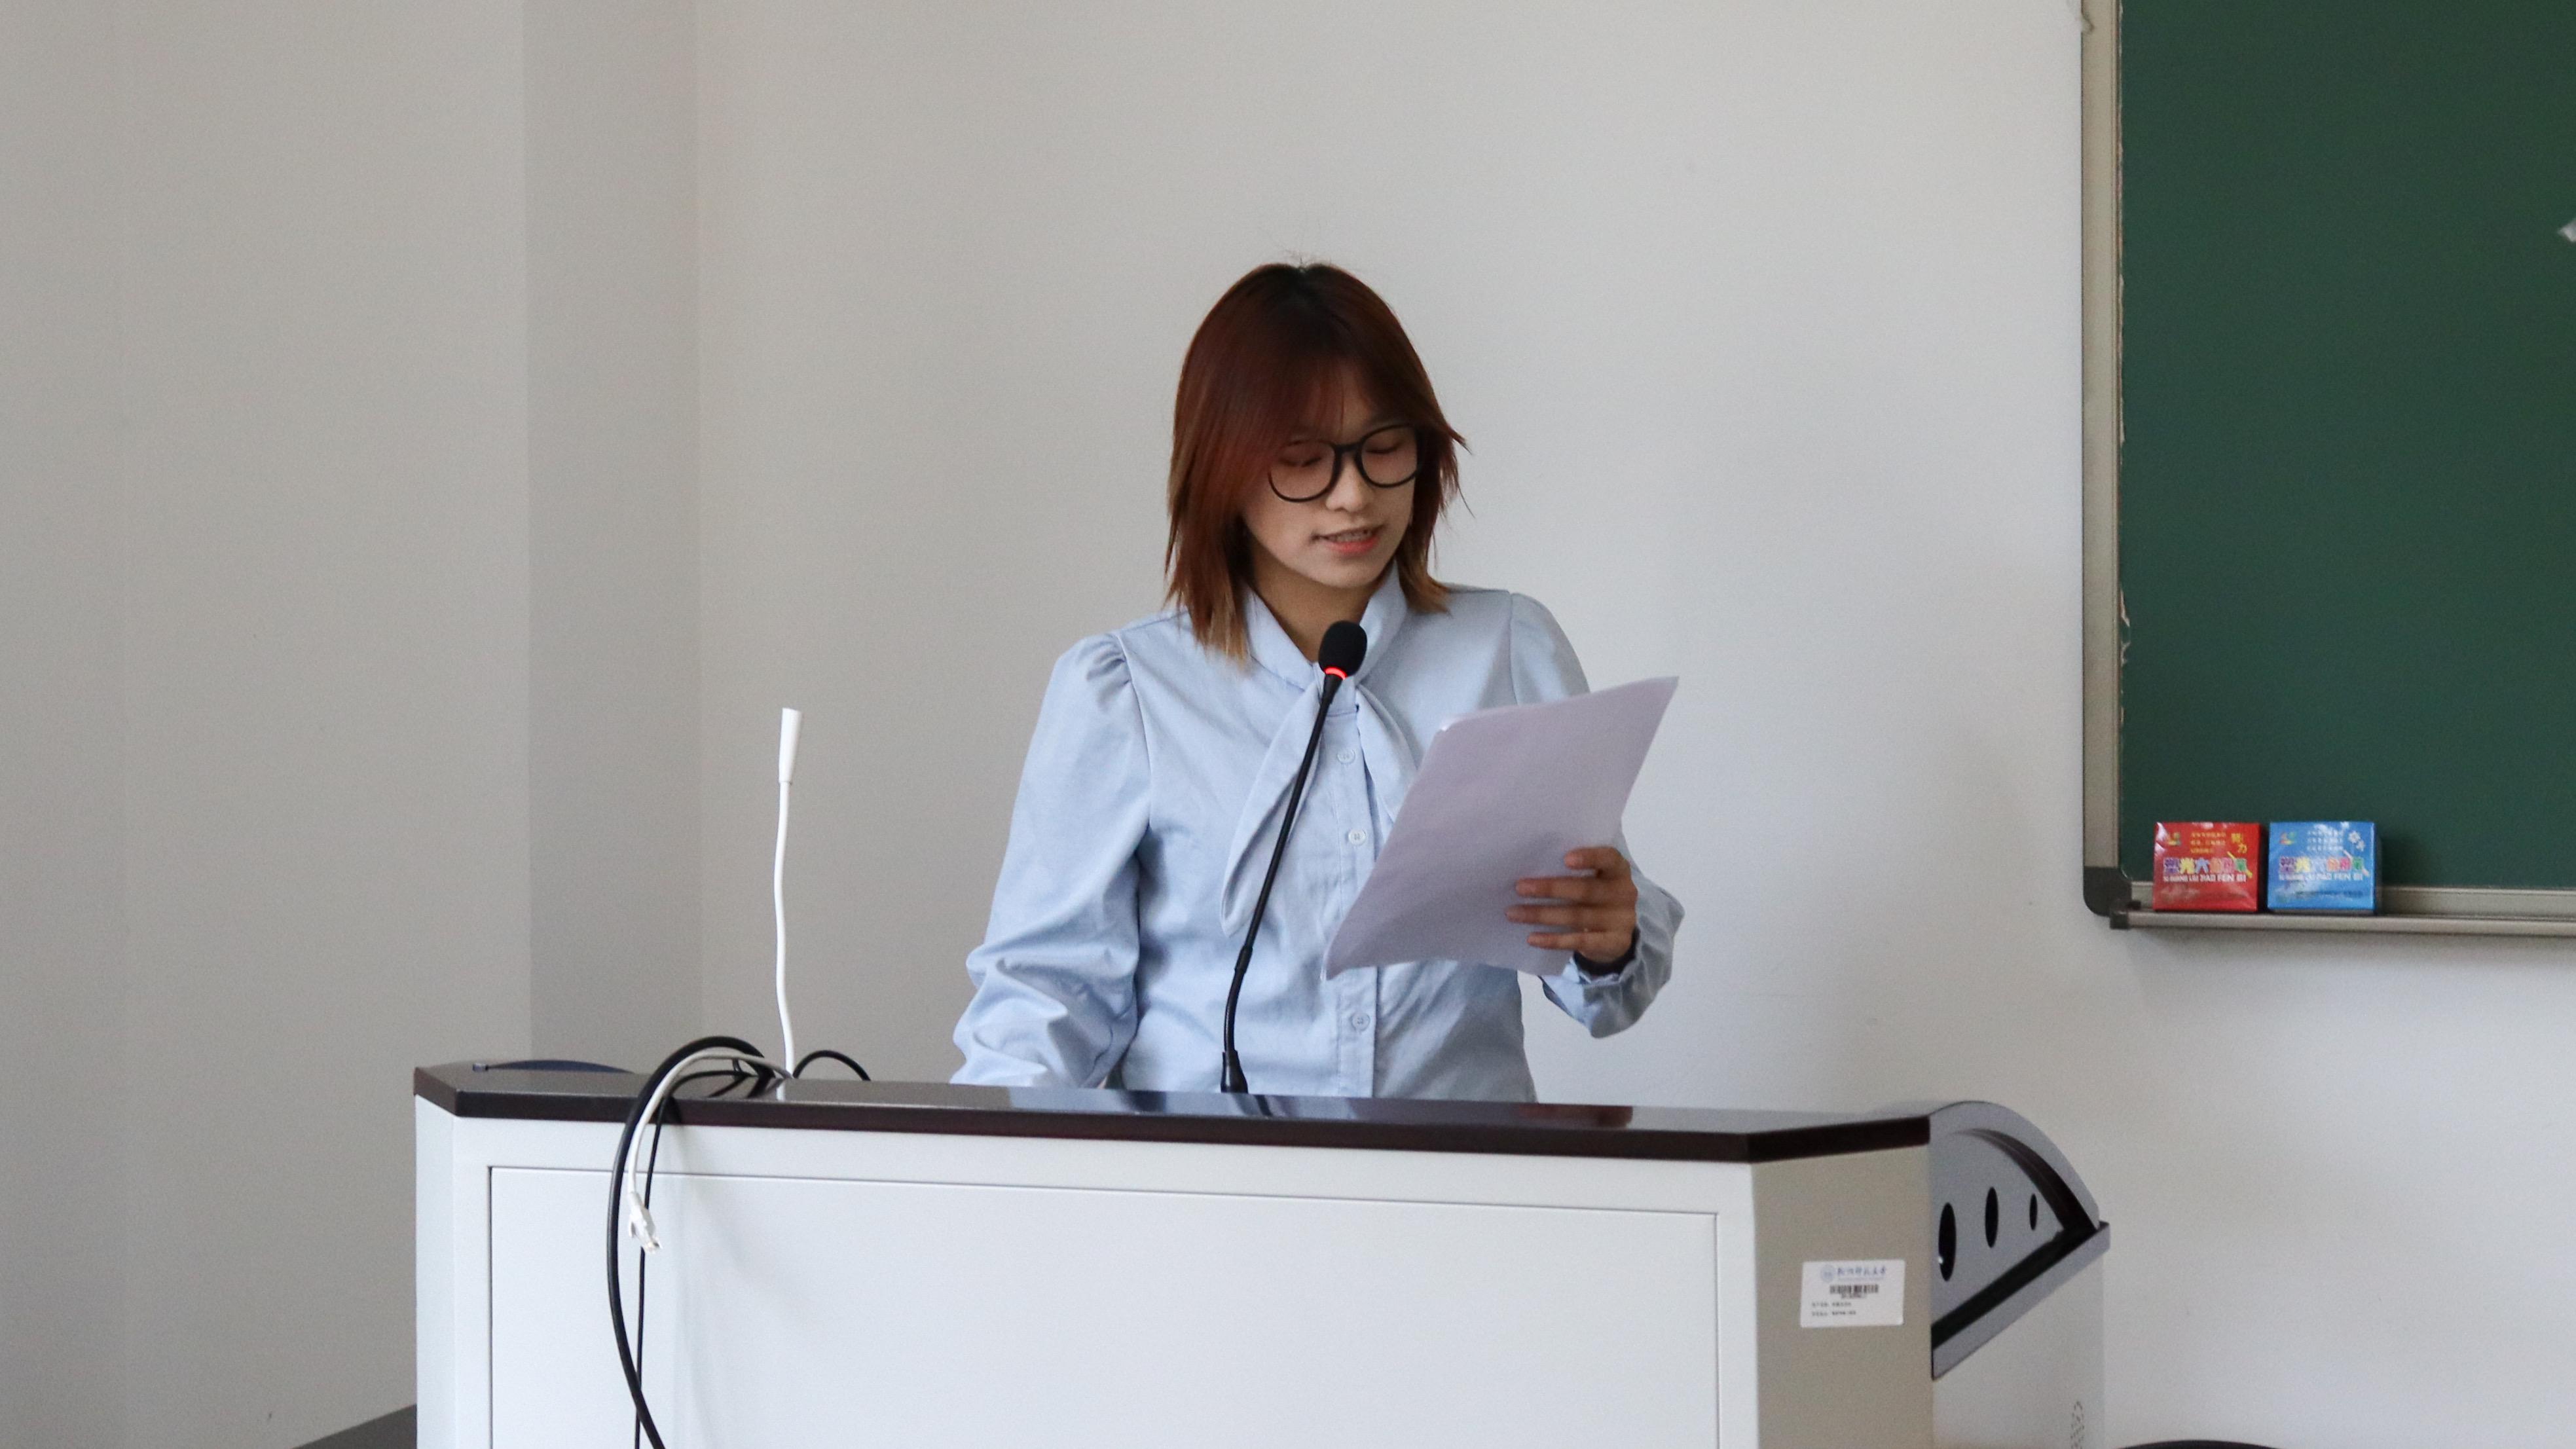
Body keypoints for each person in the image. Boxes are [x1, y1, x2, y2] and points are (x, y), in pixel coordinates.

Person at [951, 262, 1681, 1099]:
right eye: (1302, 460)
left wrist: (1607, 936)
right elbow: (1045, 994)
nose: (1352, 496)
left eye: (1385, 448)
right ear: (1221, 469)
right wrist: (995, 1162)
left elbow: (1606, 987)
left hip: (1463, 1165)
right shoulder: (1130, 690)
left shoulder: (1508, 649)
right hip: (1208, 1171)